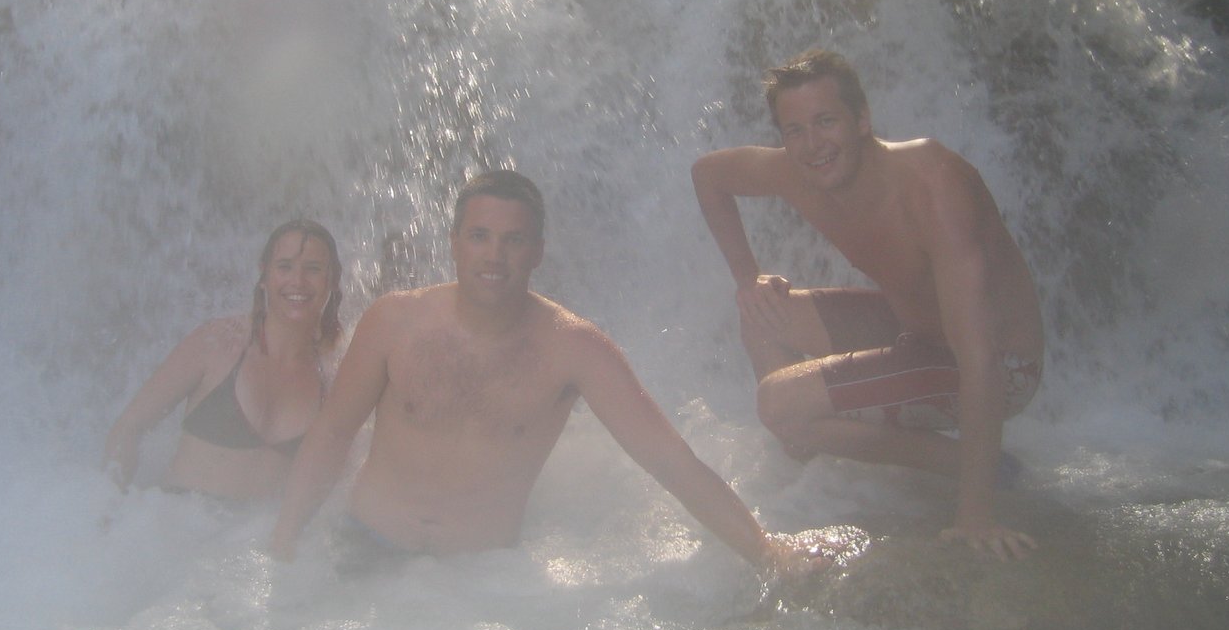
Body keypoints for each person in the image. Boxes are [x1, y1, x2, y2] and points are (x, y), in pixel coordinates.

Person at [269, 171, 821, 575]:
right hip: (363, 548)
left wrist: (765, 551)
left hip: (479, 584)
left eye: (513, 240)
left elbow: (670, 461)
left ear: (537, 251)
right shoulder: (393, 320)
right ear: (455, 243)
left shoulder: (575, 348)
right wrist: (285, 541)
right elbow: (332, 433)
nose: (494, 256)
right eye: (480, 236)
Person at [691, 50, 1045, 560]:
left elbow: (979, 355)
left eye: (826, 121)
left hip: (1001, 363)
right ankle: (804, 439)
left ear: (862, 119)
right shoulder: (795, 171)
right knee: (763, 316)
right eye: (795, 130)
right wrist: (748, 278)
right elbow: (708, 175)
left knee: (777, 402)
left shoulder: (932, 184)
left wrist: (975, 516)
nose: (813, 145)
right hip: (916, 330)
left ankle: (972, 464)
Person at [104, 220, 344, 500]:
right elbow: (130, 426)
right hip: (173, 519)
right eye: (284, 266)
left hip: (254, 528)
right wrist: (109, 509)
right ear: (264, 275)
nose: (298, 281)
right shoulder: (216, 343)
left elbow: (333, 485)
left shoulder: (334, 375)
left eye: (313, 269)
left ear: (332, 280)